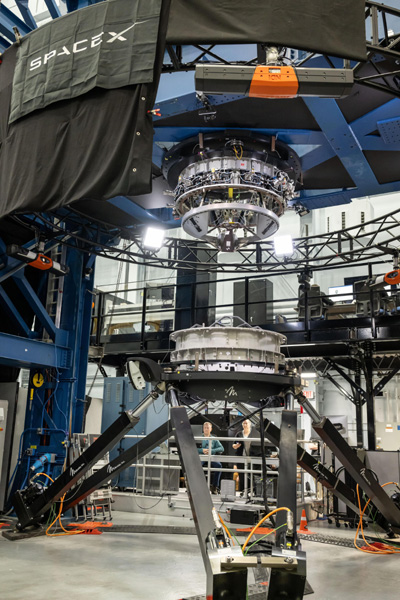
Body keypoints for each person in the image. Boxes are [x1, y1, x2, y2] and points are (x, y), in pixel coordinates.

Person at [232, 418, 258, 493]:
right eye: (243, 423)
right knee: (242, 476)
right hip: (241, 457)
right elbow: (233, 444)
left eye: (246, 423)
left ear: (250, 424)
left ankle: (252, 491)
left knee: (252, 475)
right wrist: (235, 446)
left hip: (252, 457)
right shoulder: (239, 434)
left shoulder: (254, 434)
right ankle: (243, 491)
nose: (245, 425)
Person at [198, 421, 224, 494]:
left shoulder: (214, 438)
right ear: (203, 429)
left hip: (211, 457)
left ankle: (214, 486)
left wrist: (211, 450)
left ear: (211, 429)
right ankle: (199, 486)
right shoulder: (198, 437)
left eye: (207, 428)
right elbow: (193, 448)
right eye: (205, 428)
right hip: (202, 457)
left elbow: (221, 448)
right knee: (197, 465)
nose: (206, 429)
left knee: (218, 466)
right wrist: (201, 450)